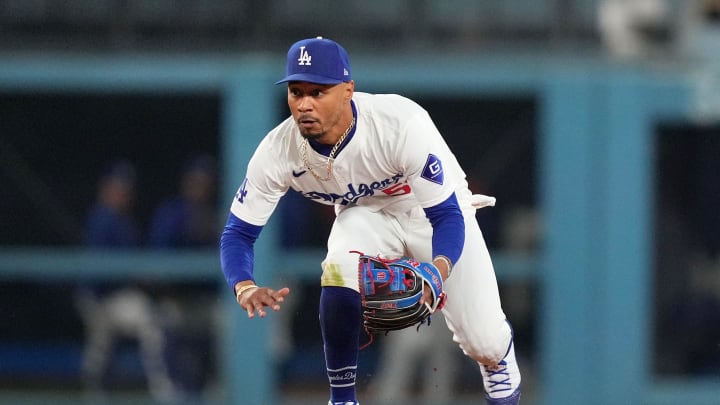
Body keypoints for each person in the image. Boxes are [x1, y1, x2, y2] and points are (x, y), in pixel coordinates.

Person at [219, 37, 522, 404]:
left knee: (485, 343)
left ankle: (499, 369)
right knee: (339, 262)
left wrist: (437, 270)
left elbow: (446, 215)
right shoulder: (278, 151)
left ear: (348, 90)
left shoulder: (399, 123)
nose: (304, 104)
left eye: (319, 91)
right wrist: (243, 285)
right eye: (296, 92)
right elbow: (238, 233)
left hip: (431, 214)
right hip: (368, 215)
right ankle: (342, 398)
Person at [78, 160, 178, 402]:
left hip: (118, 297)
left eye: (126, 189)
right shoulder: (101, 218)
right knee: (101, 349)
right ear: (106, 188)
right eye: (117, 187)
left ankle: (162, 391)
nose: (122, 193)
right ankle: (95, 393)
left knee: (151, 324)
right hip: (99, 297)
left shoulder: (124, 222)